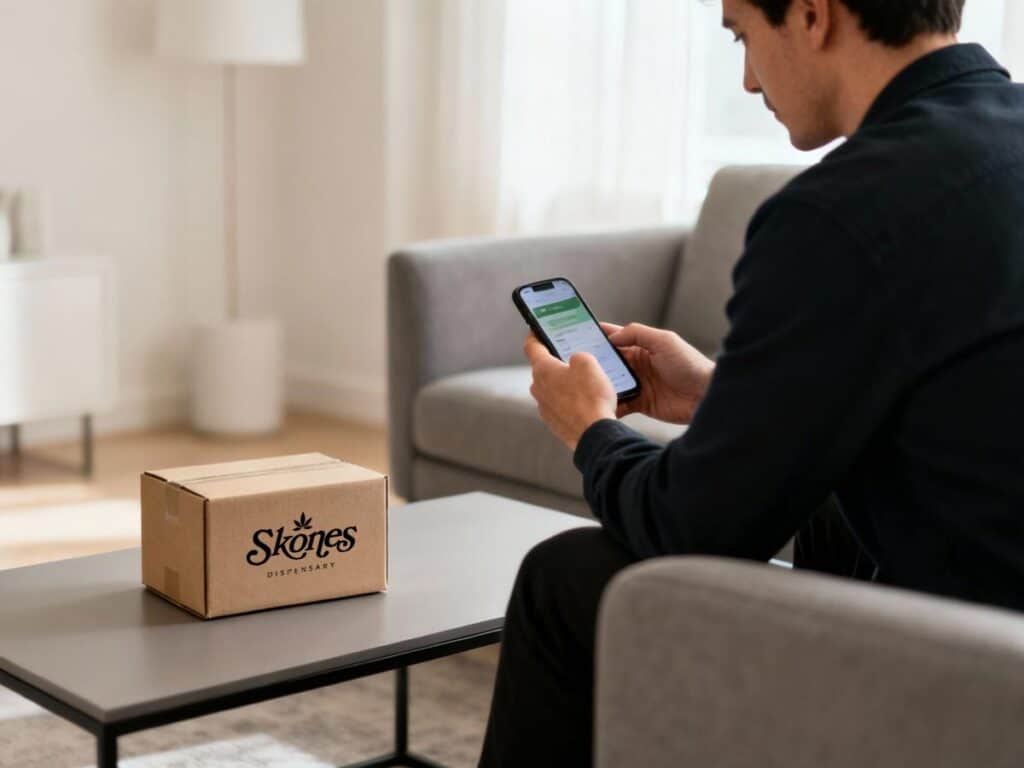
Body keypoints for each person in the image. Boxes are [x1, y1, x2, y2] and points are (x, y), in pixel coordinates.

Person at [478, 0, 1024, 765]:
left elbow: (690, 528)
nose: (743, 78)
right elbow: (960, 408)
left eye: (741, 34)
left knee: (564, 582)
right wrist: (721, 394)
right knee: (834, 503)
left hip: (977, 669)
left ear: (810, 15)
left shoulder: (840, 210)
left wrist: (593, 430)